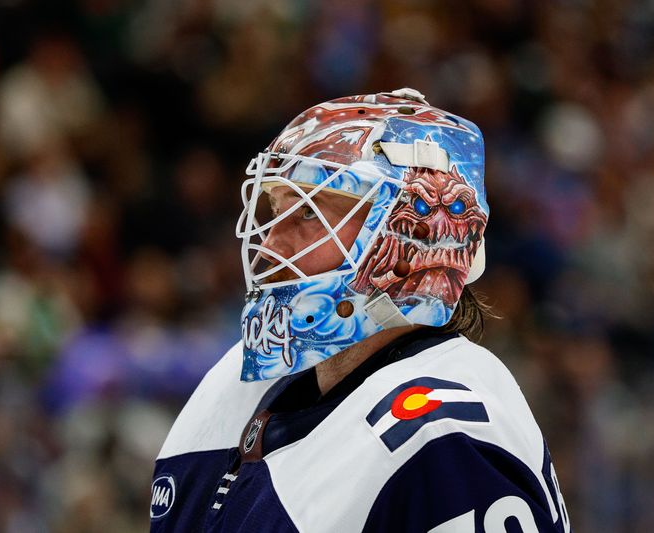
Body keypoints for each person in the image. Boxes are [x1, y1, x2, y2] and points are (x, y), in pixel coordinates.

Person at [150, 88, 571, 532]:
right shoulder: (240, 380)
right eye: (274, 211)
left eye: (309, 214)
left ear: (415, 240)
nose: (271, 246)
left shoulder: (448, 438)